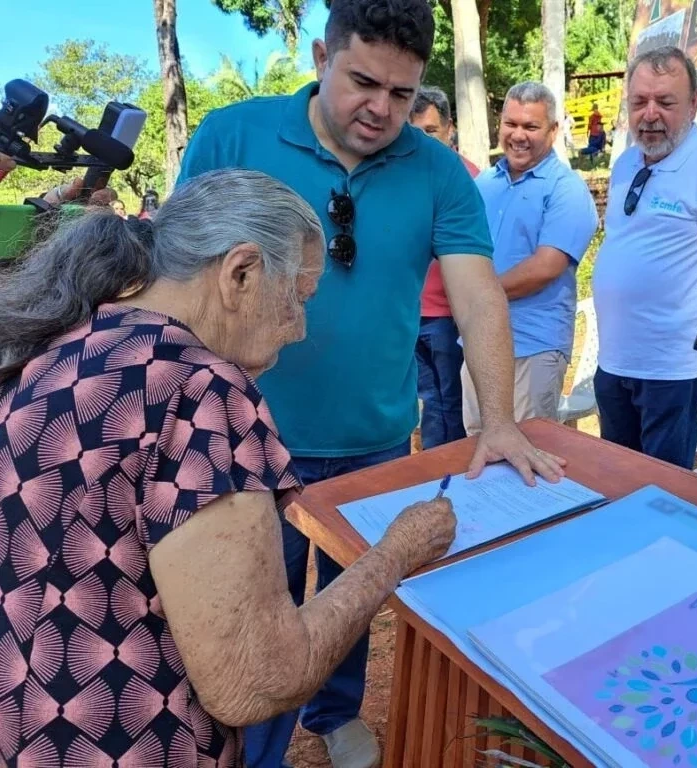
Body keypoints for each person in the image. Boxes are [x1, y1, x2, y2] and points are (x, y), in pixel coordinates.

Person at [177, 2, 564, 766]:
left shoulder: (436, 167)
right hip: (249, 437)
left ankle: (336, 713)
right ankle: (253, 751)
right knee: (257, 616)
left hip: (378, 437)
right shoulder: (233, 134)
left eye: (400, 92)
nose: (380, 109)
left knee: (356, 592)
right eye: (362, 82)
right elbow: (179, 267)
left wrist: (498, 420)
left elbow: (477, 290)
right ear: (322, 54)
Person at [0, 168, 456, 767]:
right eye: (301, 296)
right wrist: (398, 550)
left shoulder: (67, 343)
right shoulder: (201, 389)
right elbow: (257, 678)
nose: (299, 328)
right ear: (240, 273)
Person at [592, 46, 697, 469]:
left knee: (662, 491)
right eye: (639, 101)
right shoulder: (627, 163)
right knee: (617, 483)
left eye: (665, 102)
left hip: (671, 368)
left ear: (694, 104)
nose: (650, 115)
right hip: (614, 361)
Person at [465, 82, 598, 432]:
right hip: (478, 340)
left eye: (531, 126)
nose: (518, 135)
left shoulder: (566, 189)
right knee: (476, 445)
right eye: (511, 124)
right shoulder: (484, 184)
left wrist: (475, 292)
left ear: (553, 132)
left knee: (530, 450)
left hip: (533, 344)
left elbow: (546, 266)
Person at [409, 86, 477, 449]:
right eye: (415, 132)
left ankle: (450, 471)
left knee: (451, 401)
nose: (423, 141)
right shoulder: (403, 177)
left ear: (449, 128)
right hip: (412, 314)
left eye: (431, 131)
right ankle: (437, 473)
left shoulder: (468, 177)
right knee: (429, 401)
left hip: (448, 315)